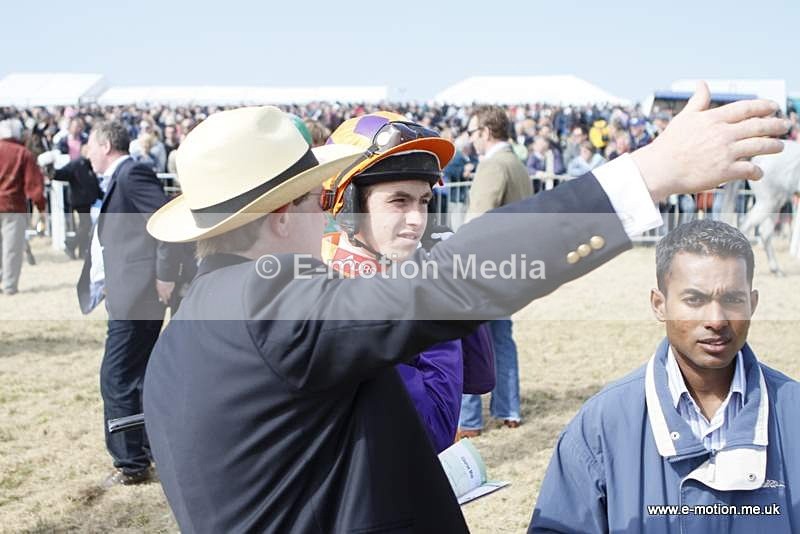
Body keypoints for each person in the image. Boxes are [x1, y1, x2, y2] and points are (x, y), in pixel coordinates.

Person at [143, 86, 788, 533]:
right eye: (315, 200)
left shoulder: (187, 334)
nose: (327, 213)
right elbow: (453, 278)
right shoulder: (269, 301)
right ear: (283, 213)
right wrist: (649, 173)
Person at [530, 220, 800, 533]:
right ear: (660, 305)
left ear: (752, 303)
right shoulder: (602, 424)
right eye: (695, 300)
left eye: (732, 300)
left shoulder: (792, 411)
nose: (716, 319)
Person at [319, 111, 495, 452]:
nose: (417, 220)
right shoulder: (342, 296)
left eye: (424, 201)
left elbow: (480, 376)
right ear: (348, 206)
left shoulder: (400, 269)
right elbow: (434, 431)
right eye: (399, 200)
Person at [76, 120, 181, 486]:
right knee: (134, 376)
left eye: (90, 145)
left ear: (105, 145)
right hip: (130, 290)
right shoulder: (121, 176)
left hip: (140, 293)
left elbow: (165, 222)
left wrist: (165, 274)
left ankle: (131, 462)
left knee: (118, 377)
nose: (86, 152)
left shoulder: (133, 172)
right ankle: (144, 452)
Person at [459, 105, 534, 438]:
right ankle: (508, 409)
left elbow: (478, 221)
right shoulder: (517, 165)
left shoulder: (493, 165)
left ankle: (469, 420)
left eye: (474, 133)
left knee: (470, 338)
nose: (472, 140)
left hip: (485, 267)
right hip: (511, 266)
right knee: (502, 339)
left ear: (486, 132)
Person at [0, 118, 45, 295]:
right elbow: (33, 184)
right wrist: (41, 206)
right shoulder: (22, 153)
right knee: (12, 248)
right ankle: (10, 285)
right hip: (13, 206)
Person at [52, 144, 101, 259]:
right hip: (80, 199)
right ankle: (71, 244)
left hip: (86, 200)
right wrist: (52, 172)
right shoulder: (77, 164)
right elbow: (63, 173)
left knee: (85, 226)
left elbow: (93, 184)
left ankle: (82, 251)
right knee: (86, 225)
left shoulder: (89, 165)